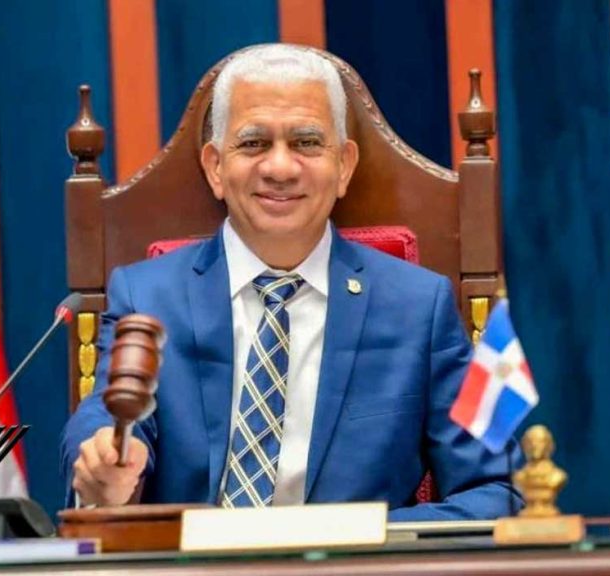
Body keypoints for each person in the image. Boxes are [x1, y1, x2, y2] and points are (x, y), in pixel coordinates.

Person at [61, 44, 521, 520]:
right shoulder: (147, 297)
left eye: (306, 143)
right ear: (215, 167)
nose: (280, 168)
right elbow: (106, 418)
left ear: (344, 166)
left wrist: (360, 535)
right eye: (253, 143)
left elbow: (500, 485)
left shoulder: (420, 306)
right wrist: (105, 465)